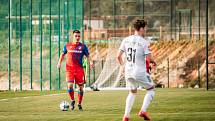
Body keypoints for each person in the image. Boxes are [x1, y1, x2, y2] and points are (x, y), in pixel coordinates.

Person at [117, 19, 156, 121]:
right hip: (139, 71)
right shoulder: (144, 42)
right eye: (145, 28)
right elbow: (149, 58)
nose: (146, 30)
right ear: (141, 28)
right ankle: (143, 111)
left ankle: (126, 116)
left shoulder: (126, 40)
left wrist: (122, 66)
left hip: (128, 71)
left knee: (132, 92)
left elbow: (118, 56)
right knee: (151, 90)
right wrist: (153, 62)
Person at [57, 30, 93, 111]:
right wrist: (59, 63)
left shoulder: (83, 47)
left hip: (79, 70)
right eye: (76, 36)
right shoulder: (67, 45)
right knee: (70, 85)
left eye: (78, 36)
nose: (77, 37)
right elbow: (62, 54)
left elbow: (88, 55)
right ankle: (72, 100)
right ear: (73, 36)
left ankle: (79, 103)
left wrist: (90, 62)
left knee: (80, 88)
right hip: (69, 69)